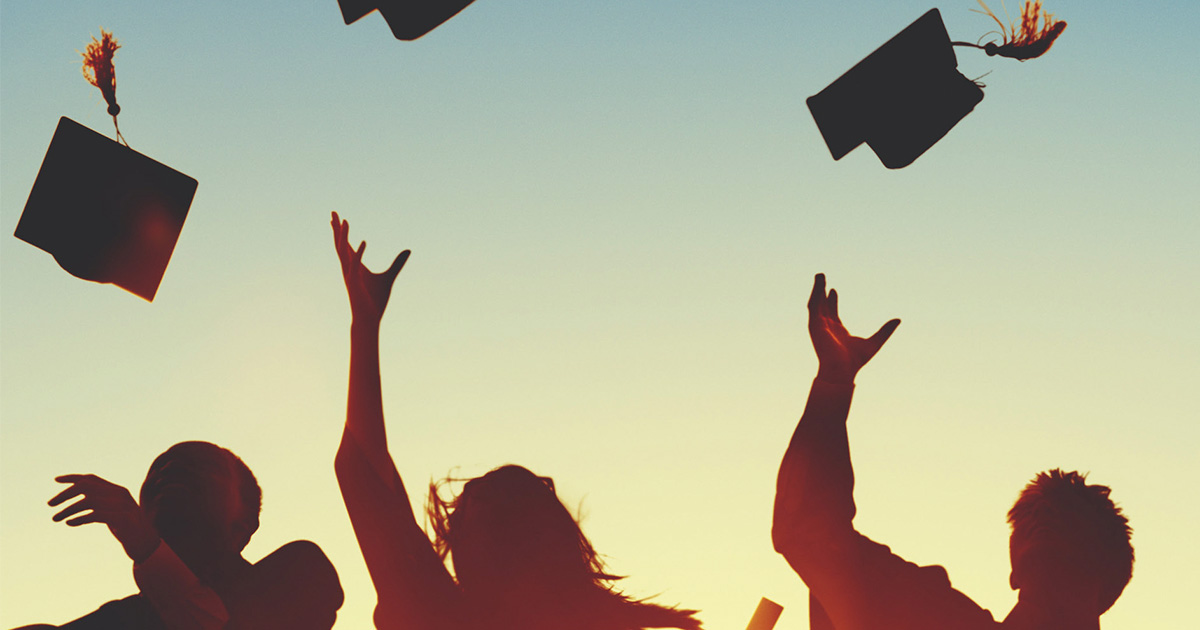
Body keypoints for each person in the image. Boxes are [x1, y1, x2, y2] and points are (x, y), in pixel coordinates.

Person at [330, 212, 701, 630]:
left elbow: (363, 474)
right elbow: (364, 474)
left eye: (477, 515)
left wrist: (365, 327)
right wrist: (364, 325)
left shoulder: (440, 613)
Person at [772, 274, 1133, 630]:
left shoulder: (931, 618)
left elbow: (808, 531)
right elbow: (811, 533)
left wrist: (834, 382)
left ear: (1017, 562)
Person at [16, 441, 343, 629]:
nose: (168, 471)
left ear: (242, 527)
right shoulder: (127, 618)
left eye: (201, 468)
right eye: (157, 470)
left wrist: (146, 547)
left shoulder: (301, 575)